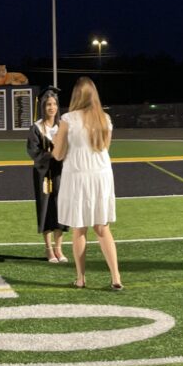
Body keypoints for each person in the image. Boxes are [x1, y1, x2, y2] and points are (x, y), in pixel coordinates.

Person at [50, 76, 123, 290]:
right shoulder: (105, 119)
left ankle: (81, 279)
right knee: (102, 227)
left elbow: (58, 154)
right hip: (101, 174)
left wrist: (54, 143)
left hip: (78, 174)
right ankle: (116, 278)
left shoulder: (68, 119)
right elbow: (105, 148)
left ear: (76, 96)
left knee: (79, 228)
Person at [24, 89, 68, 263]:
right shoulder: (36, 128)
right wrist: (52, 153)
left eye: (55, 104)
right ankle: (48, 249)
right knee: (45, 209)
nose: (52, 107)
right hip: (44, 175)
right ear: (43, 106)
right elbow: (33, 152)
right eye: (48, 104)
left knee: (60, 209)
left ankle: (59, 249)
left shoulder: (63, 127)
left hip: (61, 174)